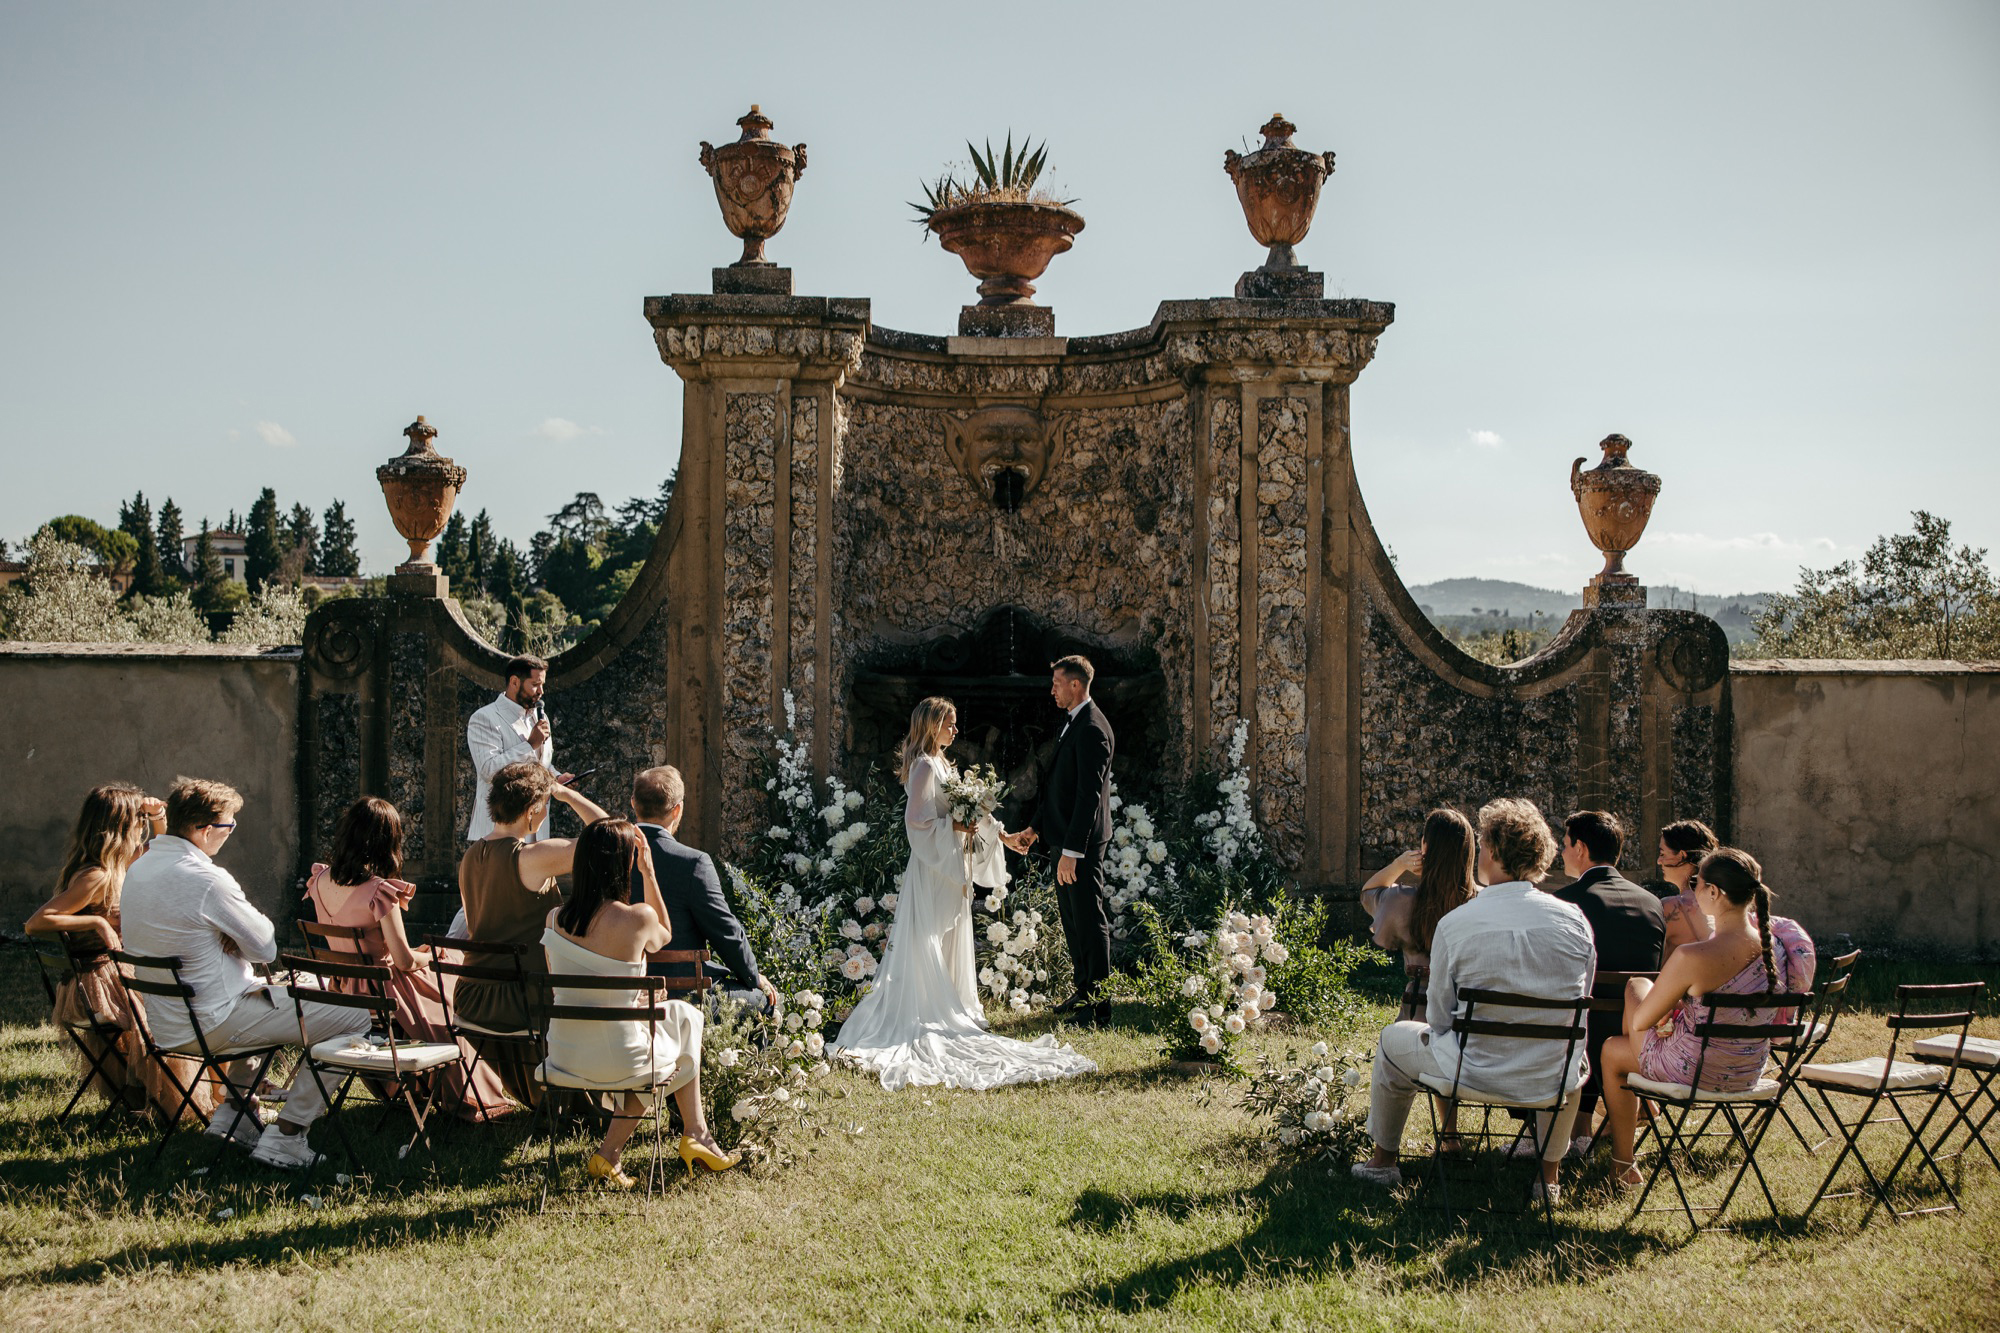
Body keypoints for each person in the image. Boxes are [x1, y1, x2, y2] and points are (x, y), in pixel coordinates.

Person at [833, 697, 1097, 1090]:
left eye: (955, 725)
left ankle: (948, 1005)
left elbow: (970, 812)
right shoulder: (924, 765)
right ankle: (925, 1011)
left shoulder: (943, 763)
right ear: (931, 725)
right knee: (928, 937)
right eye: (950, 725)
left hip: (953, 866)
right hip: (933, 868)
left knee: (949, 935)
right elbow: (918, 822)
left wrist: (1003, 836)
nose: (956, 732)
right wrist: (956, 830)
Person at [120, 777, 373, 1170]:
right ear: (205, 831)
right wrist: (236, 940)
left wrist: (229, 940)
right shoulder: (207, 878)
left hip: (169, 1020)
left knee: (282, 989)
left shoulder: (140, 868)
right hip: (215, 1020)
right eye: (229, 826)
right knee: (355, 1016)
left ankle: (234, 1117)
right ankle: (288, 1135)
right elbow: (266, 947)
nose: (231, 834)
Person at [1352, 798, 1595, 1204]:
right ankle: (1547, 1179)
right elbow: (1578, 1001)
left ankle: (1383, 1162)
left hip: (1471, 1070)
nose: (1479, 851)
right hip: (1546, 1074)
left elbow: (1439, 1014)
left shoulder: (1458, 922)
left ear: (1495, 853)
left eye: (1483, 844)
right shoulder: (1574, 920)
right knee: (1571, 1059)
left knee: (1393, 1040)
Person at [542, 820, 736, 1188]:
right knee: (685, 1023)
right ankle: (695, 1133)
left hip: (563, 1056)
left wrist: (632, 996)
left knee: (677, 1020)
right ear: (624, 865)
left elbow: (570, 988)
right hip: (619, 1058)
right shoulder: (637, 918)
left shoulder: (554, 920)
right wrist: (649, 871)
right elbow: (663, 935)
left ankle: (610, 1155)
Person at [1596, 847, 1799, 1191]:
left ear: (1714, 893)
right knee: (1639, 1014)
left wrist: (1661, 1016)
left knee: (1619, 1034)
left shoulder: (1693, 956)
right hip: (1747, 1072)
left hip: (1696, 1068)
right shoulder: (1775, 949)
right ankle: (1637, 1120)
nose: (1693, 891)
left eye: (1697, 884)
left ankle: (1623, 1162)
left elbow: (1641, 1020)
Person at [303, 796, 513, 1120]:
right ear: (387, 842)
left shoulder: (318, 880)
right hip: (386, 993)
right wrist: (429, 957)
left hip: (344, 991)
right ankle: (473, 1087)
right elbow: (401, 960)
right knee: (457, 979)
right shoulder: (379, 890)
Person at [24, 783, 222, 1123]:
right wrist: (98, 924)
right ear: (121, 827)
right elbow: (35, 922)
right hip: (101, 984)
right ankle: (205, 1103)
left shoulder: (116, 864)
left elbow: (165, 850)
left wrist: (159, 815)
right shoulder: (97, 875)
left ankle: (208, 1099)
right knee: (180, 1013)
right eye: (137, 822)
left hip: (107, 977)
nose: (141, 830)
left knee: (183, 1003)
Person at [453, 759, 612, 1105]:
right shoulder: (532, 857)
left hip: (472, 996)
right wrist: (567, 795)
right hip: (522, 1001)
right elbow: (608, 837)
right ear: (533, 809)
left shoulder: (469, 857)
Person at [1551, 810, 1664, 1154]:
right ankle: (1582, 1128)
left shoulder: (1567, 902)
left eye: (1565, 844)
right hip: (1636, 1031)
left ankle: (1558, 1132)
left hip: (1578, 1032)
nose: (1561, 852)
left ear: (1581, 848)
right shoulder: (1652, 903)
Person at [627, 766, 780, 1015]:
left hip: (628, 991)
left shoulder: (612, 854)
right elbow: (725, 933)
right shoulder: (693, 862)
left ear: (634, 804)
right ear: (677, 810)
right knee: (766, 1002)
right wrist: (754, 977)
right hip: (685, 995)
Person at [1025, 655, 1116, 1027]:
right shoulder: (1074, 722)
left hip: (1080, 845)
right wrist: (1035, 828)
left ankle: (1099, 1008)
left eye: (1057, 684)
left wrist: (1072, 853)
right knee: (1072, 918)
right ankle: (1083, 992)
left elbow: (1087, 797)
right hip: (1063, 840)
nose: (1052, 690)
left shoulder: (1093, 728)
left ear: (1076, 685)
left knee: (1089, 920)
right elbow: (1057, 789)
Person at [1358, 808, 1480, 1021]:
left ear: (1425, 847)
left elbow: (1368, 893)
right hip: (1468, 1015)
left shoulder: (1402, 900)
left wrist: (1399, 865)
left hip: (1418, 1017)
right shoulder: (1484, 902)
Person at [466, 655, 568, 843]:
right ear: (514, 682)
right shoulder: (484, 718)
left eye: (542, 684)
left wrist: (556, 776)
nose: (541, 691)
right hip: (497, 835)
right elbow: (489, 770)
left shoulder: (539, 717)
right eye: (535, 684)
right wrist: (529, 745)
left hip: (537, 833)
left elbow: (539, 764)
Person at [1656, 818, 1719, 959]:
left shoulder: (1670, 906)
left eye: (1662, 854)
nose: (1659, 861)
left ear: (1681, 856)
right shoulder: (1721, 899)